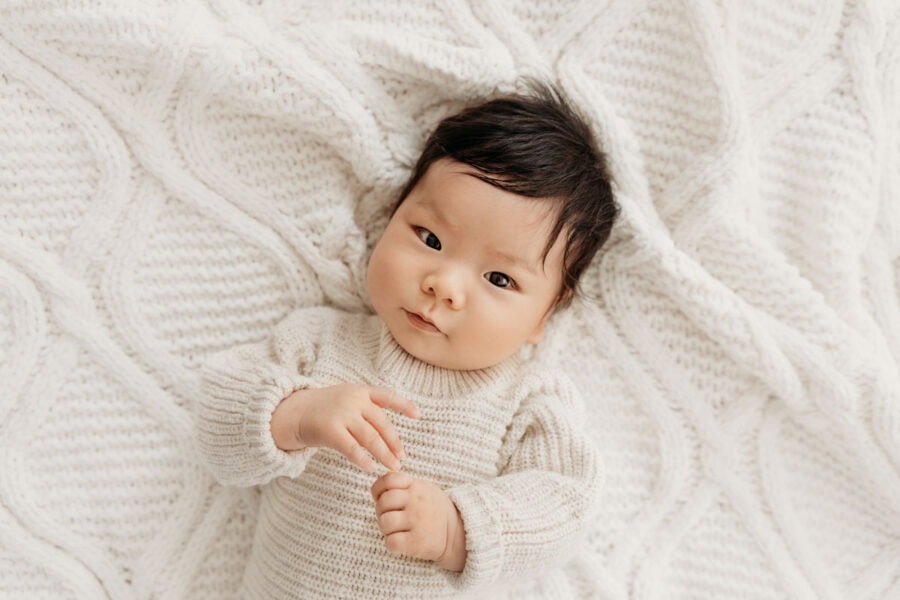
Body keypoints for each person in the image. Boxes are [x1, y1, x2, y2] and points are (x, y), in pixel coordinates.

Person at [195, 81, 618, 599]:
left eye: (499, 279)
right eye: (430, 239)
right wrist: (297, 415)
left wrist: (457, 529)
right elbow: (216, 426)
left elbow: (565, 505)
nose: (444, 285)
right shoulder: (319, 342)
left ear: (543, 318)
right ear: (391, 217)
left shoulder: (526, 403)